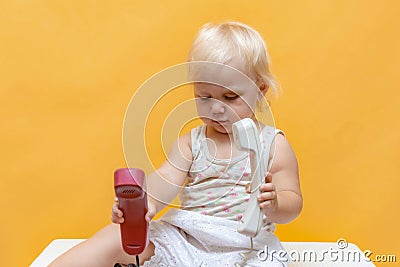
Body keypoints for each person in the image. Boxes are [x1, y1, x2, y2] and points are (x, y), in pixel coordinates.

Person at [49, 21, 302, 267]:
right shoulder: (192, 144)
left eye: (230, 97)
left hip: (247, 246)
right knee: (114, 236)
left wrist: (276, 204)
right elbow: (165, 180)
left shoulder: (273, 144)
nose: (216, 108)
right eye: (204, 96)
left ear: (260, 90)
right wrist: (142, 204)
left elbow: (292, 202)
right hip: (186, 238)